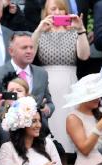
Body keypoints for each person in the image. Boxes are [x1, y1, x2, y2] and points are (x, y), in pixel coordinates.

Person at [32, 0, 90, 154]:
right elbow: (29, 55)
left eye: (61, 9)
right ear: (46, 12)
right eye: (53, 9)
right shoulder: (40, 33)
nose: (57, 12)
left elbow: (84, 56)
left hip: (69, 83)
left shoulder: (73, 32)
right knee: (51, 131)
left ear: (66, 12)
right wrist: (39, 29)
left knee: (67, 130)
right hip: (47, 84)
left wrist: (81, 29)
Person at [0, 31, 55, 124]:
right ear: (11, 51)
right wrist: (15, 113)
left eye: (31, 47)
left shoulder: (41, 73)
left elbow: (50, 103)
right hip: (8, 133)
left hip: (37, 133)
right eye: (24, 48)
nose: (29, 51)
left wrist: (46, 109)